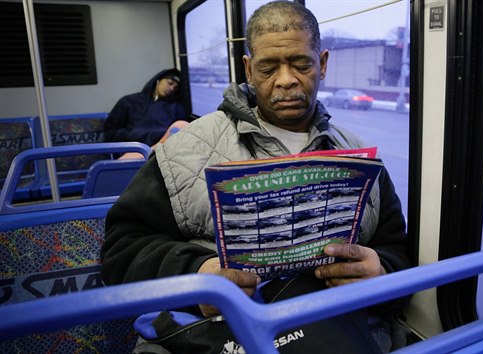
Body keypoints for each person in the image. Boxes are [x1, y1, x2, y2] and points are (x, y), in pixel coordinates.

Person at [101, 1, 410, 352]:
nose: (286, 79)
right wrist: (197, 277)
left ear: (322, 64)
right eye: (268, 67)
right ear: (248, 69)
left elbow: (394, 247)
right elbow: (120, 251)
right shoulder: (185, 151)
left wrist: (380, 272)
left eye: (301, 64)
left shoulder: (360, 158)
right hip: (218, 331)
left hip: (333, 327)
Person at [103, 68, 191, 150]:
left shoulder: (176, 108)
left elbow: (181, 135)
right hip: (132, 148)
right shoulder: (128, 101)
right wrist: (134, 135)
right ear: (158, 80)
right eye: (170, 83)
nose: (172, 88)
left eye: (175, 88)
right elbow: (110, 132)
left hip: (162, 150)